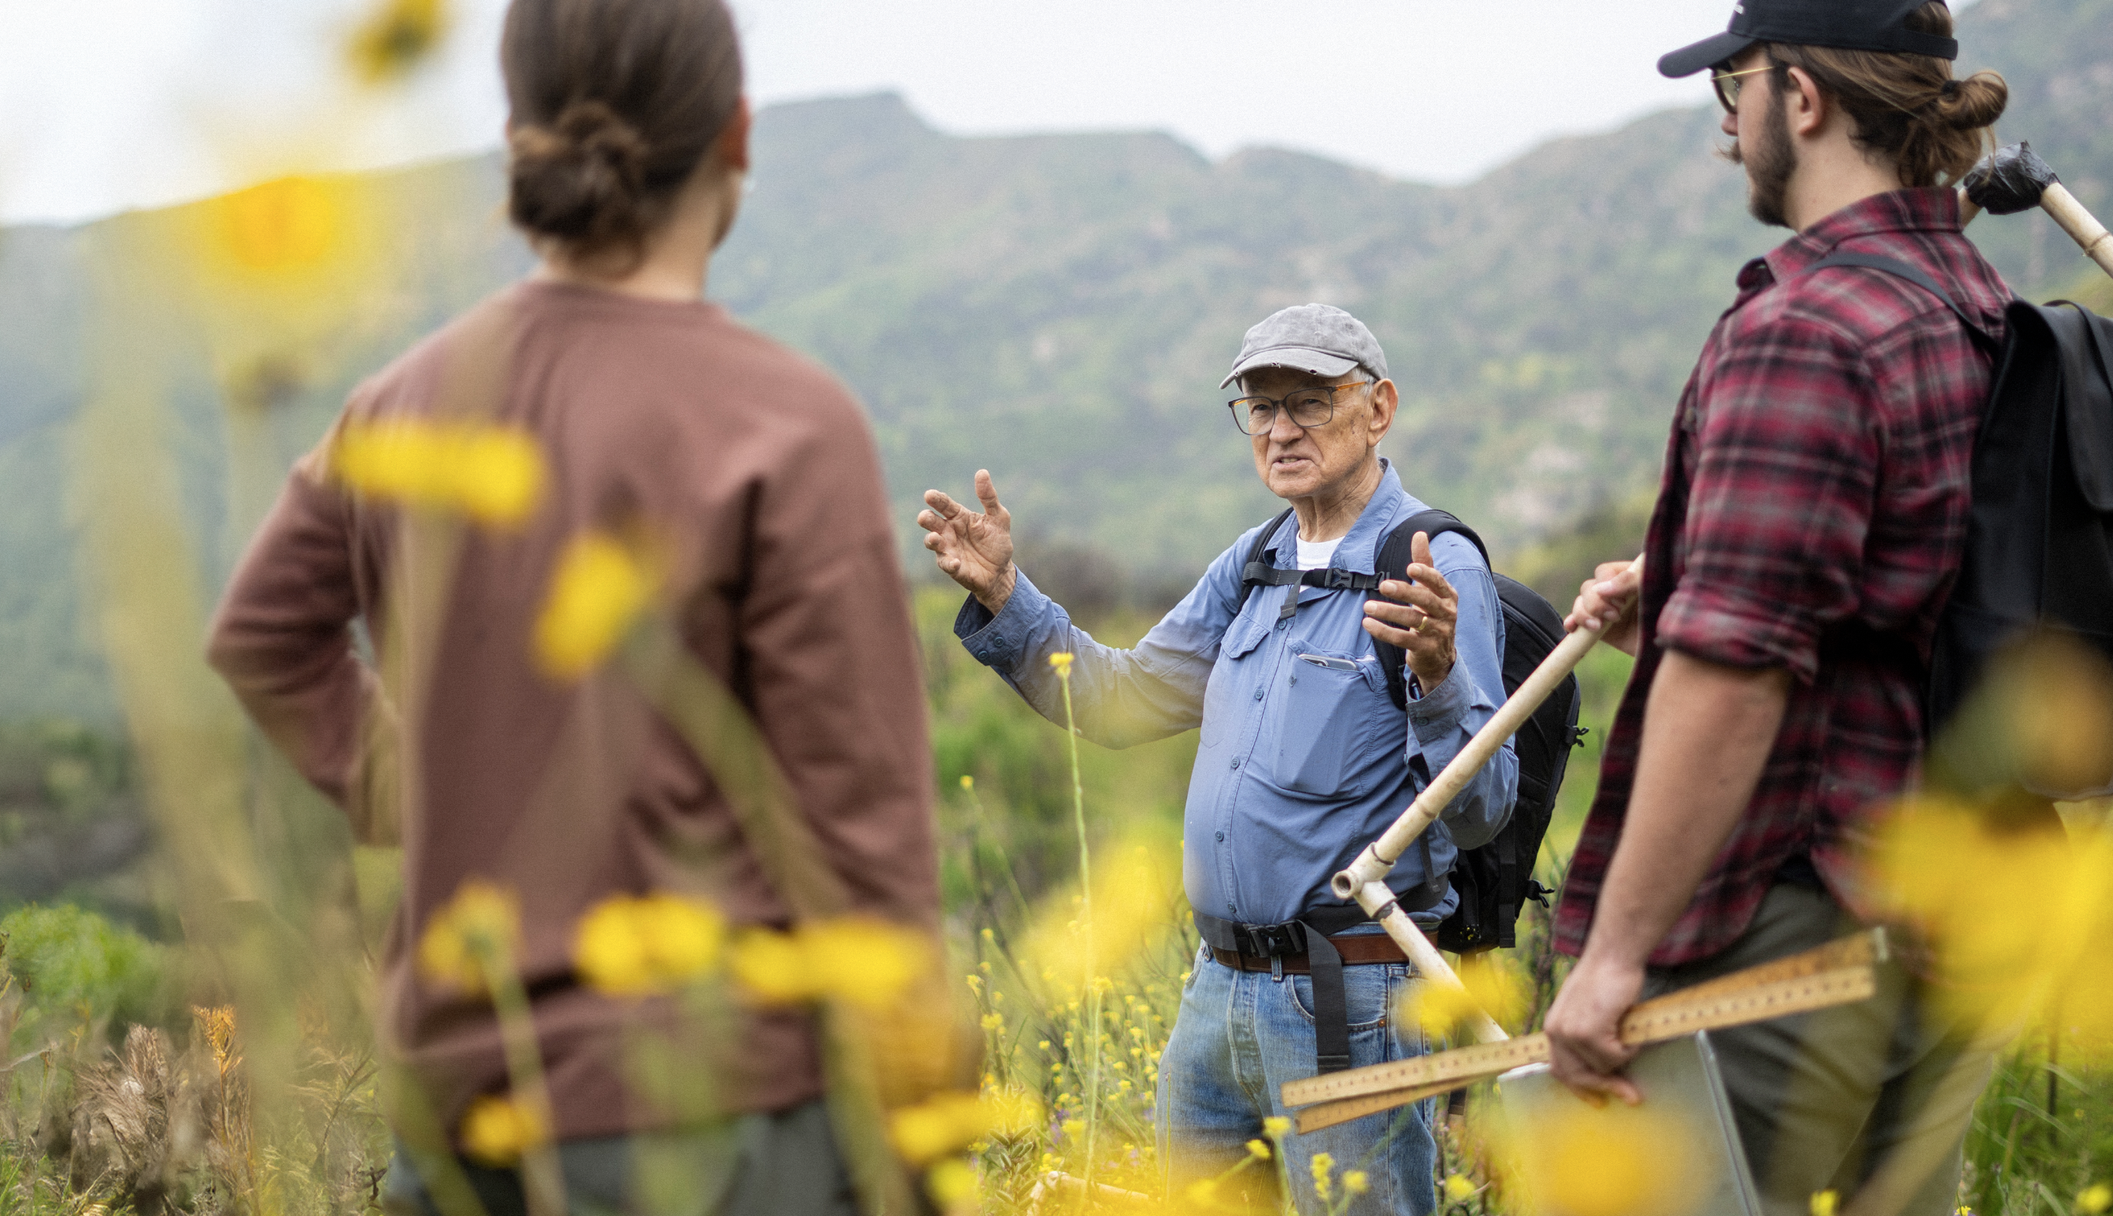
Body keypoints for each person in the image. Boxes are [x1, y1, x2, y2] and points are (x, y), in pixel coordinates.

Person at [206, 0, 937, 1211]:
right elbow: (864, 835)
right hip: (720, 1120)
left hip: (455, 1117)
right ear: (737, 134)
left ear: (517, 136)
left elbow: (262, 636)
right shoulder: (787, 423)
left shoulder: (401, 403)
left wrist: (415, 785)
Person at [1540, 3, 2013, 1215]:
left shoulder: (1804, 330)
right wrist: (1695, 588)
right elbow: (1907, 600)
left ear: (1799, 99)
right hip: (1937, 916)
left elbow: (1735, 673)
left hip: (1784, 920)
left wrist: (1612, 960)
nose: (1724, 131)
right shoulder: (1971, 303)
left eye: (1731, 91)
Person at [918, 304, 1516, 1216]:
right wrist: (1007, 594)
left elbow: (1483, 811)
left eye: (1309, 402)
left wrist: (1436, 673)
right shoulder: (1255, 563)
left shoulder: (1432, 565)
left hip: (1349, 1000)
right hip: (1214, 994)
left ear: (1379, 406)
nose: (1280, 430)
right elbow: (1119, 701)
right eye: (1261, 407)